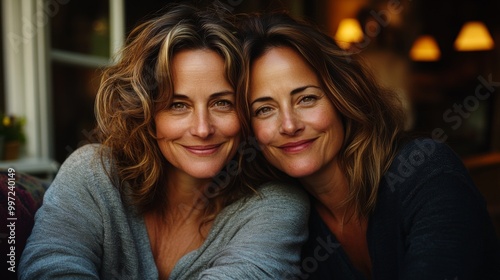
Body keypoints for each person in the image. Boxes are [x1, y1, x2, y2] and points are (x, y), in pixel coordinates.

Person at [19, 5, 309, 279]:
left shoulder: (274, 206)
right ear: (145, 113)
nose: (202, 128)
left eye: (222, 103)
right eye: (177, 105)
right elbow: (50, 267)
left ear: (245, 112)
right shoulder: (94, 173)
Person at [237, 11, 500, 280]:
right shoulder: (283, 220)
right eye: (265, 109)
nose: (290, 125)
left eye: (306, 99)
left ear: (342, 97)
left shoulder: (426, 171)